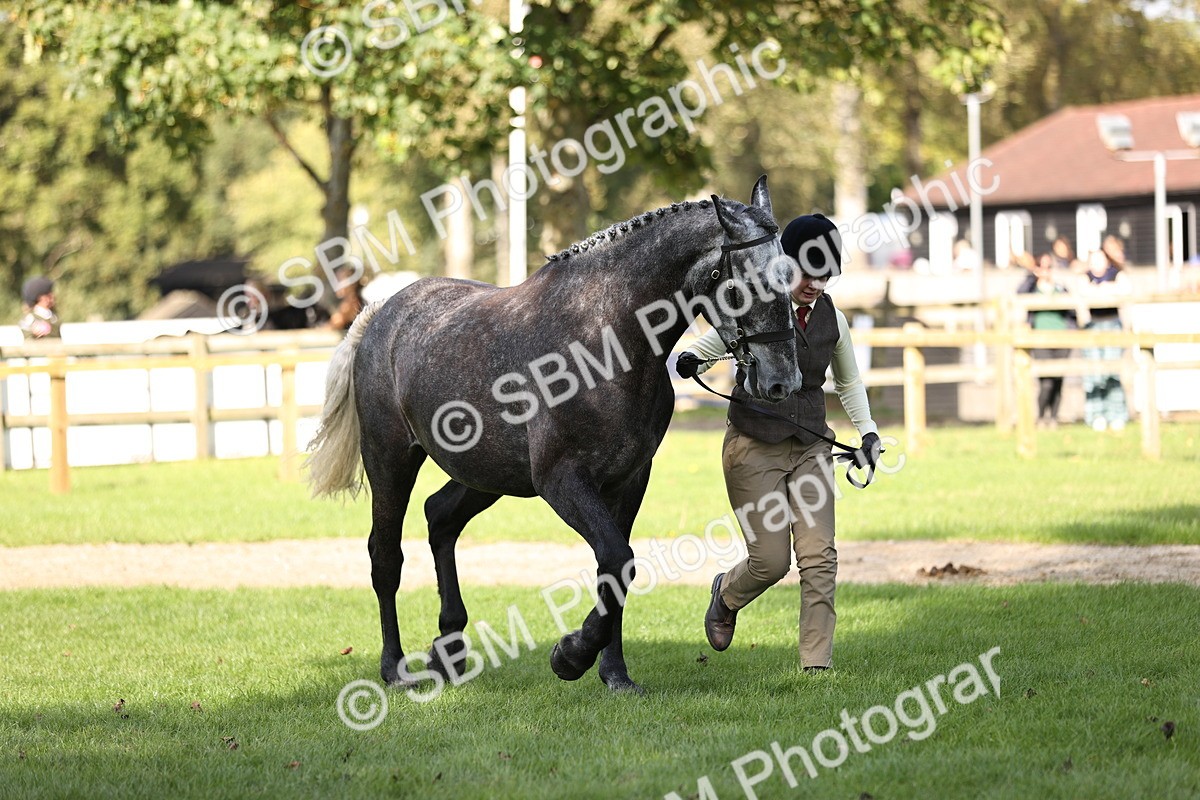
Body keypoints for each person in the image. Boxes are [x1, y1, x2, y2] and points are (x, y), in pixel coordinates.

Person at [675, 214, 880, 672]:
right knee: (770, 562)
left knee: (820, 559)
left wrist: (867, 433)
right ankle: (726, 595)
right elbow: (715, 343)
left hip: (810, 447)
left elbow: (848, 383)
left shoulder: (833, 319)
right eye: (810, 272)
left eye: (826, 275)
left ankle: (816, 665)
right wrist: (693, 358)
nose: (817, 284)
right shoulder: (756, 305)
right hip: (754, 445)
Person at [1017, 253, 1073, 427]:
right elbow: (1019, 294)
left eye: (1049, 267)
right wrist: (1031, 276)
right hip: (1040, 339)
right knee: (1046, 382)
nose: (1046, 271)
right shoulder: (1031, 289)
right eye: (1042, 267)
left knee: (1058, 381)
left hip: (1061, 338)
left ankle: (1054, 418)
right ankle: (1041, 417)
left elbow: (1071, 312)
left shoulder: (1061, 289)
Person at [1080, 248, 1129, 431]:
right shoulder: (1084, 277)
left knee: (1113, 372)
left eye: (1100, 259)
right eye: (1093, 260)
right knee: (1094, 373)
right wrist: (1106, 291)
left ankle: (1117, 415)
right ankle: (1096, 415)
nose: (1096, 264)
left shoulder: (1118, 274)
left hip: (1112, 326)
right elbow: (1084, 295)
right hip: (1093, 327)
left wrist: (1100, 291)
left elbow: (1124, 292)